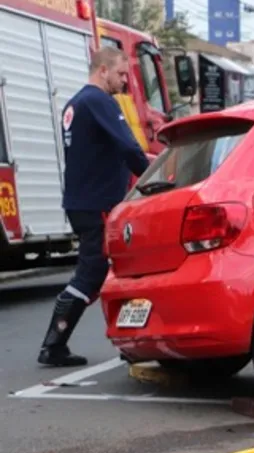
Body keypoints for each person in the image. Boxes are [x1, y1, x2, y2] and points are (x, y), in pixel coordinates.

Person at [38, 47, 149, 367]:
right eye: (121, 73)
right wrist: (153, 177)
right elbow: (128, 146)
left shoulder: (74, 104)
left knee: (107, 269)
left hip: (81, 201)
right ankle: (54, 344)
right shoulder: (99, 101)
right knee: (94, 273)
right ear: (103, 70)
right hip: (99, 203)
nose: (125, 81)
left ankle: (131, 340)